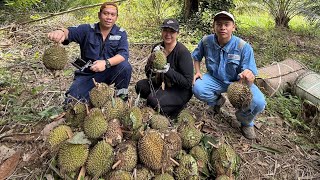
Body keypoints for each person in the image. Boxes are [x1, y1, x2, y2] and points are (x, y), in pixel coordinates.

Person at [192, 11, 266, 139]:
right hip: (215, 79)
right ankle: (217, 101)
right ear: (213, 26)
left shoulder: (243, 47)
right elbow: (196, 56)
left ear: (233, 27)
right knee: (197, 87)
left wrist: (249, 77)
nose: (222, 27)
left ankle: (245, 121)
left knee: (259, 102)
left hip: (238, 84)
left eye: (227, 24)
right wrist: (198, 71)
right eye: (219, 24)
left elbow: (251, 75)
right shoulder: (206, 41)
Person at [47, 2, 131, 104]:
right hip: (88, 74)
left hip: (109, 71)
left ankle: (121, 98)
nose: (109, 17)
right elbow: (70, 32)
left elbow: (123, 54)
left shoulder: (120, 33)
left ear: (116, 17)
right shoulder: (87, 30)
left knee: (125, 67)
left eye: (112, 15)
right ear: (99, 15)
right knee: (71, 103)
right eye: (106, 13)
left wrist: (106, 63)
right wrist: (60, 32)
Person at [135, 18, 193, 118]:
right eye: (165, 30)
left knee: (152, 101)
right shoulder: (157, 48)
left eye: (172, 31)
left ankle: (176, 108)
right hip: (162, 84)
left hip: (179, 90)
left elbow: (187, 83)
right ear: (162, 32)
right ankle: (162, 100)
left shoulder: (183, 53)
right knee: (140, 86)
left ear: (177, 33)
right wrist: (150, 66)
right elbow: (149, 75)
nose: (168, 34)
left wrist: (168, 71)